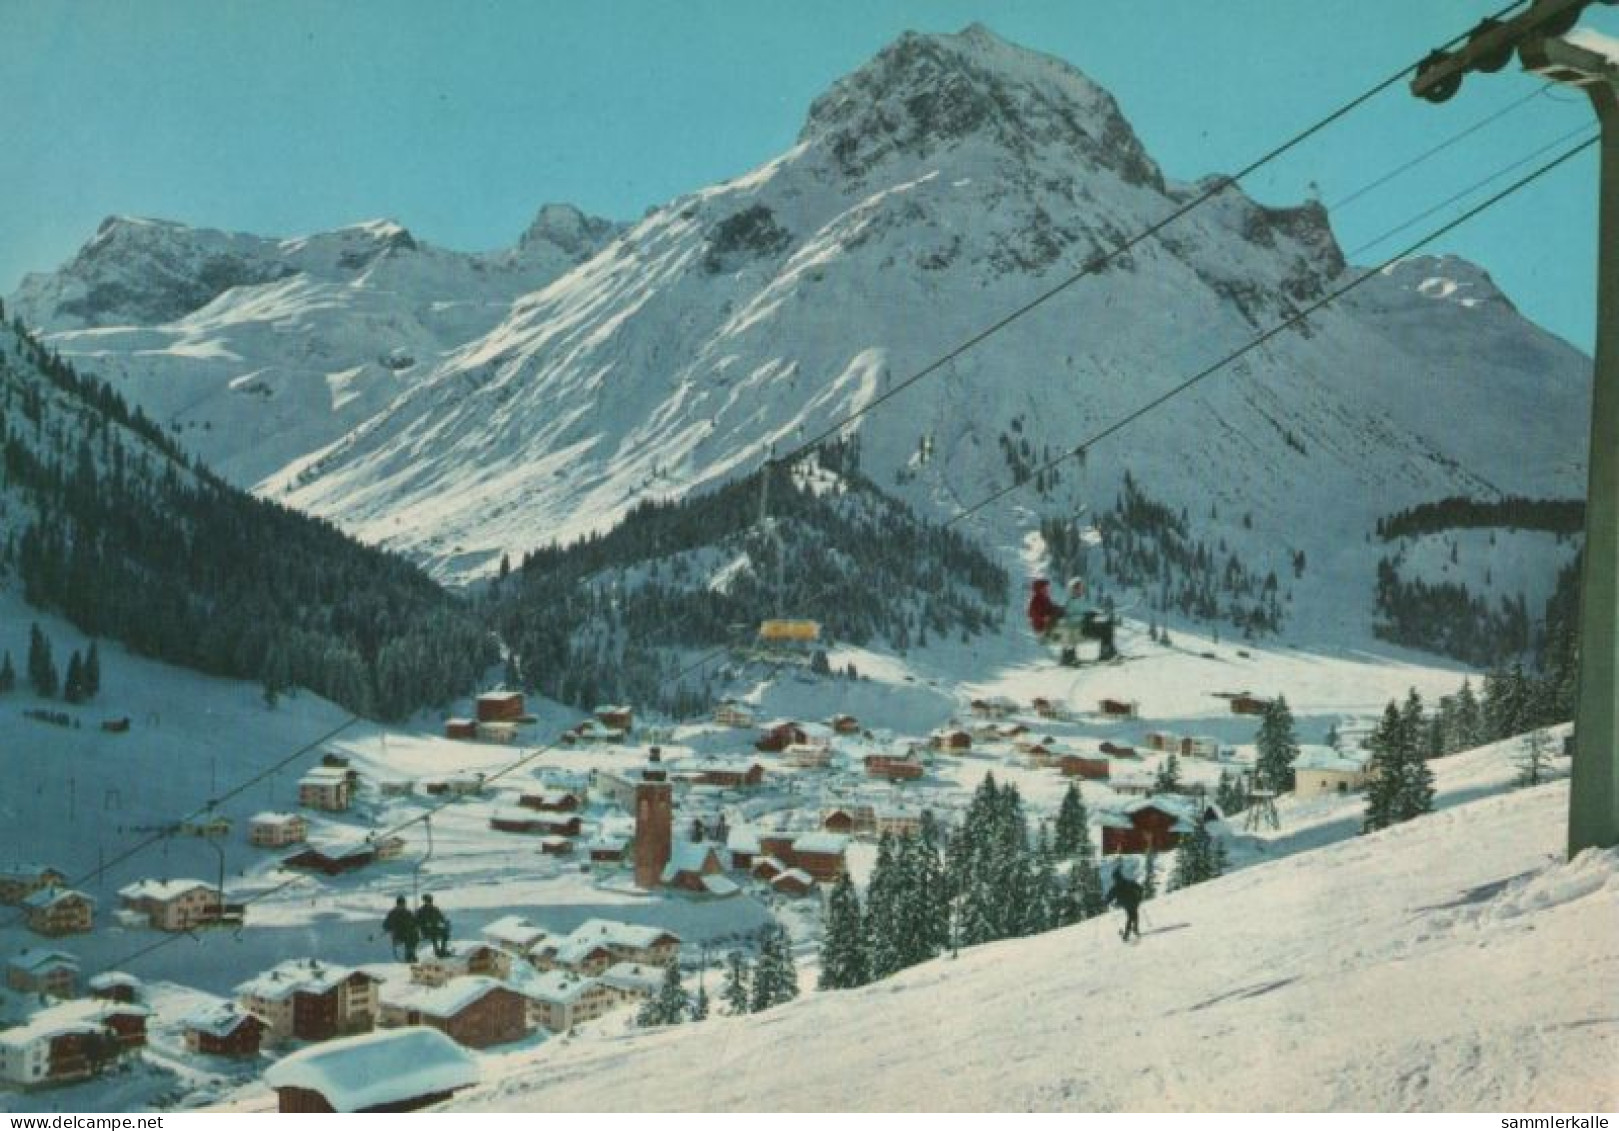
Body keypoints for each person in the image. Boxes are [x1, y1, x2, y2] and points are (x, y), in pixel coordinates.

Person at [1027, 578, 1079, 665]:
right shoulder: (1035, 600)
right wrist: (1043, 618)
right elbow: (1032, 613)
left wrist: (1061, 609)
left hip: (1049, 625)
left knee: (1068, 626)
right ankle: (1067, 656)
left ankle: (1069, 654)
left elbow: (1052, 608)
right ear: (1039, 589)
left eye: (1047, 588)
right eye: (1045, 588)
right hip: (1042, 628)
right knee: (1065, 629)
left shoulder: (1045, 599)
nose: (1047, 590)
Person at [1105, 863, 1144, 942]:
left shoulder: (1115, 887)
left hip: (1125, 903)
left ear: (1115, 879)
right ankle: (1134, 929)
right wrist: (1140, 895)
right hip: (1134, 900)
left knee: (1130, 916)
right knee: (1134, 914)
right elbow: (1139, 887)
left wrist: (1106, 902)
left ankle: (1127, 934)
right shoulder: (1127, 882)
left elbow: (1110, 896)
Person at [383, 895, 420, 962]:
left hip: (408, 932)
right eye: (401, 904)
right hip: (398, 933)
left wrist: (415, 924)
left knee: (414, 935)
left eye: (403, 904)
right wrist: (389, 928)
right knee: (408, 936)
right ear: (398, 904)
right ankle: (409, 955)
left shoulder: (408, 912)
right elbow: (386, 924)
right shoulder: (393, 913)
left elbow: (414, 921)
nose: (402, 905)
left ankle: (411, 953)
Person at [415, 893, 452, 958]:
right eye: (428, 900)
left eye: (430, 901)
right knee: (435, 934)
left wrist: (446, 922)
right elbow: (417, 922)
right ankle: (437, 951)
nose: (429, 902)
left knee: (444, 933)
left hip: (434, 928)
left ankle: (442, 950)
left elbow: (441, 918)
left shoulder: (435, 909)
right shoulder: (421, 911)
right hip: (426, 930)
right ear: (425, 901)